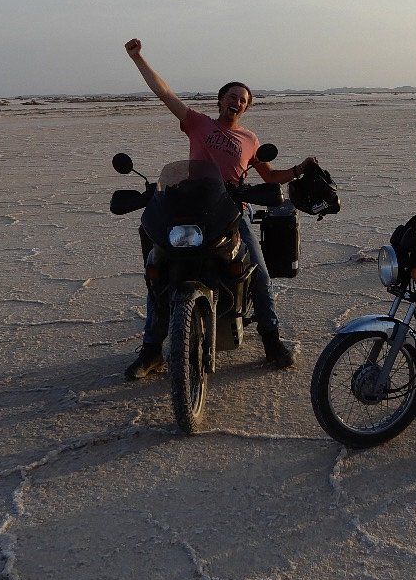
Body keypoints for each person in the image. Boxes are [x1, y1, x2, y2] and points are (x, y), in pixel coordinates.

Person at [122, 37, 314, 378]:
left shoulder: (250, 140)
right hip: (190, 206)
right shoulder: (197, 123)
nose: (236, 102)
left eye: (243, 100)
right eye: (232, 97)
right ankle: (152, 351)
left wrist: (299, 169)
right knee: (158, 271)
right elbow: (164, 93)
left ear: (246, 108)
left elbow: (269, 176)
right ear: (221, 100)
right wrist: (139, 59)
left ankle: (272, 340)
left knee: (259, 272)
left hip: (231, 212)